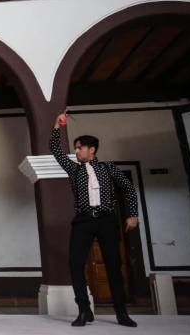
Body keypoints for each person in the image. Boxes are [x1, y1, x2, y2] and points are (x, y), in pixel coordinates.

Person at [50, 112, 139, 328]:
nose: (76, 151)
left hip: (107, 220)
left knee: (113, 265)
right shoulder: (73, 169)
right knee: (75, 262)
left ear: (92, 150)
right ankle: (83, 310)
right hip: (83, 221)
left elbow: (128, 189)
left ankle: (121, 313)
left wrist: (132, 214)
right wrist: (56, 126)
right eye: (76, 147)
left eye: (79, 147)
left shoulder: (108, 168)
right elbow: (55, 150)